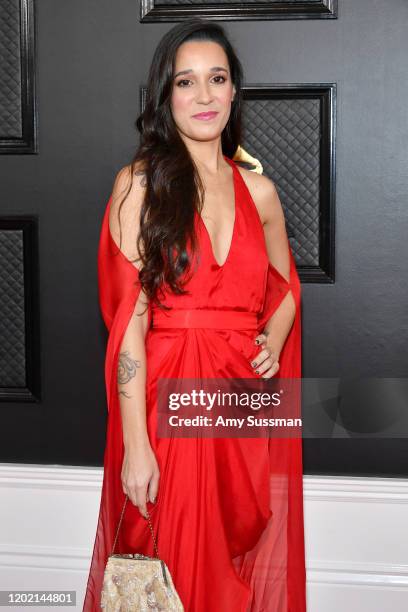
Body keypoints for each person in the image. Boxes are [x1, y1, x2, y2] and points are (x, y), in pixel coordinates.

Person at [83, 18, 306, 612]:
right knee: (175, 570)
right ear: (166, 95)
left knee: (232, 565)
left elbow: (287, 287)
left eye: (217, 79)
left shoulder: (261, 194)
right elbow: (128, 326)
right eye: (187, 82)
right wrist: (136, 444)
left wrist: (273, 338)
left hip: (238, 404)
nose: (204, 96)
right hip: (165, 404)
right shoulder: (138, 186)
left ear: (235, 92)